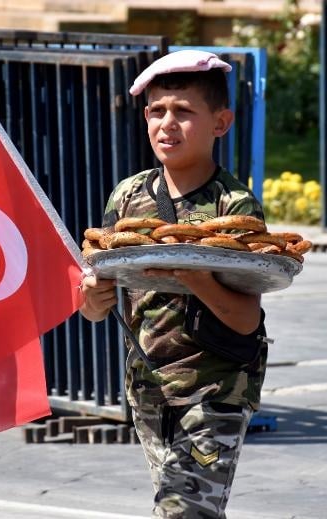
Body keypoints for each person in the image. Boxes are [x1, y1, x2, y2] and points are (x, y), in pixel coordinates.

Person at [79, 50, 269, 518]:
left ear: (220, 123)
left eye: (184, 112)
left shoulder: (233, 206)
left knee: (183, 509)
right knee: (186, 506)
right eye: (158, 111)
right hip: (148, 384)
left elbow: (246, 319)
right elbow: (97, 297)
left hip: (216, 387)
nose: (168, 123)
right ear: (145, 118)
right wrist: (91, 297)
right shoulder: (128, 196)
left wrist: (196, 277)